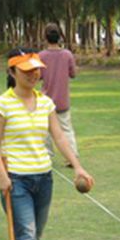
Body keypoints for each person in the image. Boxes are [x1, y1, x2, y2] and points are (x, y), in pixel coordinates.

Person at [0, 49, 94, 240]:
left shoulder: (46, 103)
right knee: (26, 236)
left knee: (34, 237)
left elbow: (59, 137)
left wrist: (78, 167)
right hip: (16, 180)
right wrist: (2, 176)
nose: (33, 74)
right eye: (26, 71)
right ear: (12, 72)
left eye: (36, 69)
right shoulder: (2, 104)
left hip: (44, 177)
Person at [38, 23, 79, 163]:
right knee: (66, 129)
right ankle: (72, 156)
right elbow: (73, 74)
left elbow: (38, 76)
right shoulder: (67, 54)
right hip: (62, 99)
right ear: (60, 37)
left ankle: (47, 155)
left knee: (45, 129)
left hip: (46, 99)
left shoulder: (41, 56)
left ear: (45, 37)